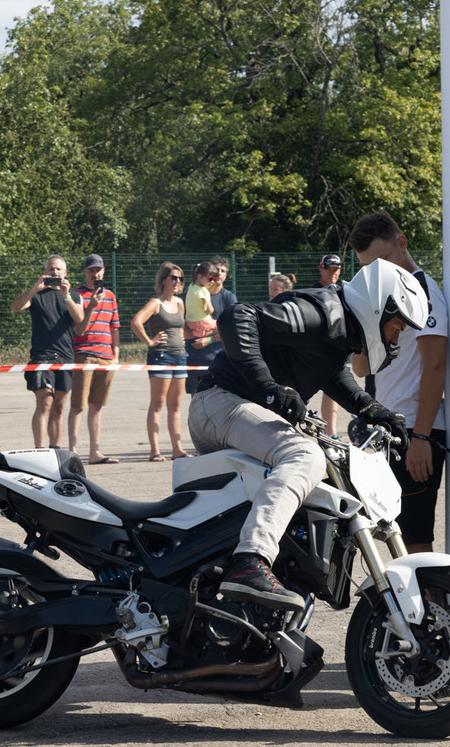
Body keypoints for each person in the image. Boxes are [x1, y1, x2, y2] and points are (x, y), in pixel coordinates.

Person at [190, 259, 423, 611]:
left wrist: (376, 411)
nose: (396, 337)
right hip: (221, 401)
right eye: (397, 326)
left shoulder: (340, 332)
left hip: (235, 409)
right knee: (305, 456)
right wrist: (267, 387)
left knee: (323, 475)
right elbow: (237, 317)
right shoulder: (323, 312)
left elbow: (331, 375)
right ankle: (251, 561)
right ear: (380, 307)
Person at [348, 212, 448, 554]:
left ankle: (427, 606)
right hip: (385, 429)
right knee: (395, 537)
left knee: (415, 539)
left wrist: (420, 437)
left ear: (401, 243)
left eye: (382, 260)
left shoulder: (423, 291)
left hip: (417, 431)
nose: (377, 273)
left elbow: (436, 366)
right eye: (367, 267)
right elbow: (361, 368)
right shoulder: (379, 295)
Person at [11, 255, 83, 449]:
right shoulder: (36, 296)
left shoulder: (73, 295)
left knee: (59, 406)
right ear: (45, 272)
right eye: (51, 269)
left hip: (66, 357)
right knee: (45, 402)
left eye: (59, 269)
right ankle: (39, 449)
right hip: (42, 356)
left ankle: (55, 449)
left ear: (65, 273)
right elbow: (15, 307)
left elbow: (80, 318)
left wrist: (66, 295)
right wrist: (35, 288)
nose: (55, 272)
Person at [131, 262, 194, 462]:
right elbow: (136, 322)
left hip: (180, 356)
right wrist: (150, 341)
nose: (177, 282)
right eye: (173, 278)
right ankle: (155, 450)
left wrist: (183, 337)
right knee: (158, 404)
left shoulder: (180, 303)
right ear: (163, 280)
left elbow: (180, 326)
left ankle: (177, 449)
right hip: (161, 356)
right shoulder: (155, 303)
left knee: (175, 406)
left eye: (180, 278)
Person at [67, 255, 119, 464]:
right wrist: (92, 305)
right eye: (91, 270)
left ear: (104, 271)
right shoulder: (76, 295)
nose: (95, 274)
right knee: (78, 405)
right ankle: (72, 452)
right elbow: (78, 327)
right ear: (85, 272)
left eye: (98, 269)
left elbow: (114, 327)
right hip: (84, 354)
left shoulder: (111, 296)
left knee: (97, 405)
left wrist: (116, 355)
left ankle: (94, 452)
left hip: (106, 357)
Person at [184, 257, 237, 397]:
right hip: (195, 354)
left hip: (219, 357)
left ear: (226, 275)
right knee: (195, 399)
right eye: (216, 269)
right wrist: (191, 331)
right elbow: (184, 319)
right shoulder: (195, 292)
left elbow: (232, 328)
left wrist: (209, 340)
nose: (219, 273)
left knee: (219, 400)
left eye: (223, 271)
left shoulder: (229, 298)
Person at [314, 254, 345, 432]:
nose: (334, 273)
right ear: (321, 269)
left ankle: (330, 432)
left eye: (337, 269)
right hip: (314, 349)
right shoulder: (312, 292)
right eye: (330, 269)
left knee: (332, 392)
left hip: (336, 349)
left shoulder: (342, 293)